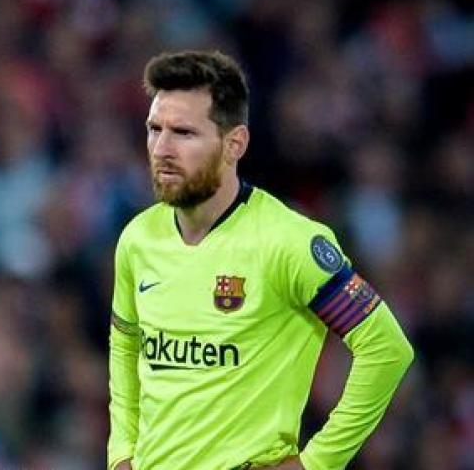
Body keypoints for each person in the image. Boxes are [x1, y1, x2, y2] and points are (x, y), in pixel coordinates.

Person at [107, 50, 413, 470]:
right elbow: (125, 344)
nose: (161, 148)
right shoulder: (138, 239)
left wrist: (317, 462)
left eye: (183, 133)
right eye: (154, 129)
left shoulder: (288, 242)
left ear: (234, 144)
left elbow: (387, 348)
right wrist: (121, 451)